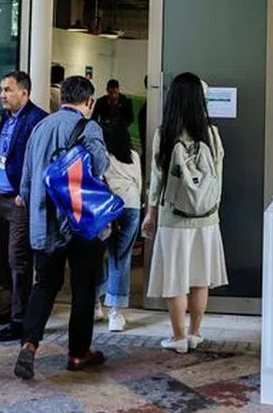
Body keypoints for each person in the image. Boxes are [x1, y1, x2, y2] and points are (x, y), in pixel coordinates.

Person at [13, 76, 109, 380]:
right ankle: (78, 354)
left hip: (45, 224)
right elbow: (101, 166)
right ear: (89, 101)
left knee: (45, 285)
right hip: (81, 223)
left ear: (61, 97)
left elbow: (26, 184)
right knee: (83, 289)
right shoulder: (89, 127)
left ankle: (29, 345)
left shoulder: (40, 127)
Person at [141, 72, 228, 354]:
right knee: (200, 276)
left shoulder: (164, 134)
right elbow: (218, 176)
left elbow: (157, 179)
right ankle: (195, 333)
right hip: (207, 217)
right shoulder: (211, 134)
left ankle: (177, 338)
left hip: (174, 217)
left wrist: (150, 213)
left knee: (175, 277)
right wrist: (212, 206)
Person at [0, 71, 48, 343]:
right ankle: (12, 306)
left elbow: (40, 163)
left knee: (19, 259)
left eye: (8, 90)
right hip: (1, 197)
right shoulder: (5, 118)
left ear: (24, 93)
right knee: (4, 257)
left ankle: (20, 320)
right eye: (2, 89)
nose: (3, 94)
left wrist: (25, 192)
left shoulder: (37, 120)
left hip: (19, 201)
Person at [97, 129, 143, 332]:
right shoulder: (133, 155)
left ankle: (95, 305)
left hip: (106, 208)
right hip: (130, 205)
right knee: (120, 258)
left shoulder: (101, 155)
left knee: (97, 255)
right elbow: (139, 183)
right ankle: (115, 314)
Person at [93, 79, 133, 153]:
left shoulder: (126, 101)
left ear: (118, 90)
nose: (113, 95)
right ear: (107, 91)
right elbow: (94, 118)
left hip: (121, 133)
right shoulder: (101, 102)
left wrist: (122, 126)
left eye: (115, 92)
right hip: (105, 133)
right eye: (110, 93)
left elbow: (130, 118)